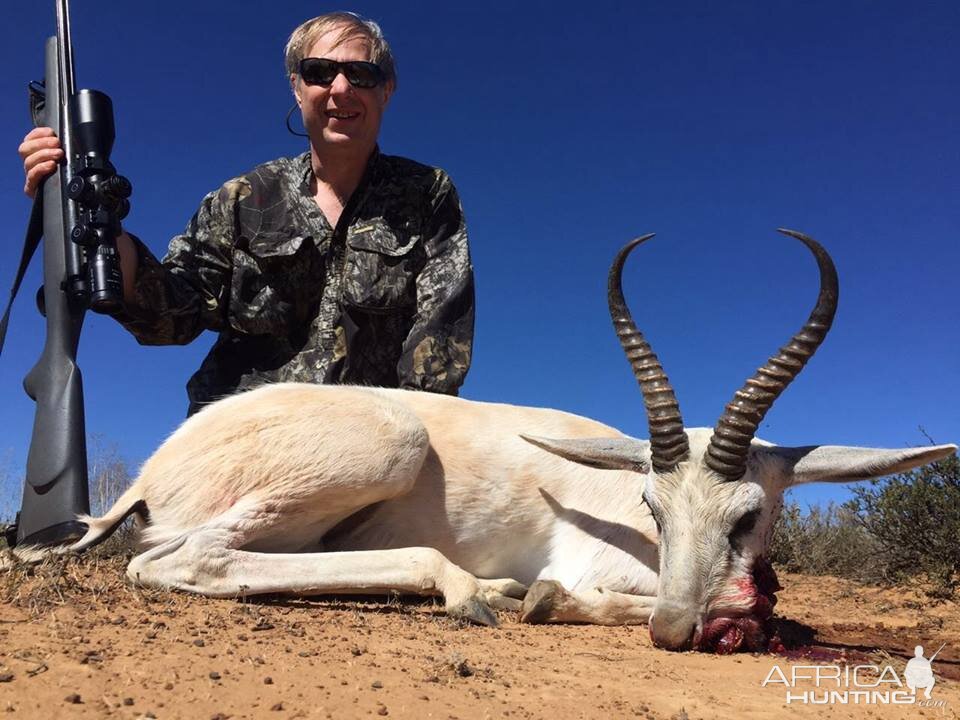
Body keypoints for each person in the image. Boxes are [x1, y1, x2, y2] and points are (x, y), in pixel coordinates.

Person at [17, 12, 474, 416]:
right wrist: (95, 214)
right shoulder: (243, 198)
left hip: (368, 453)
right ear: (297, 88)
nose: (340, 88)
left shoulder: (427, 194)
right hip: (239, 445)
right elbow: (175, 314)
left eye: (361, 73)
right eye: (319, 72)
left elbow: (437, 352)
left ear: (386, 90)